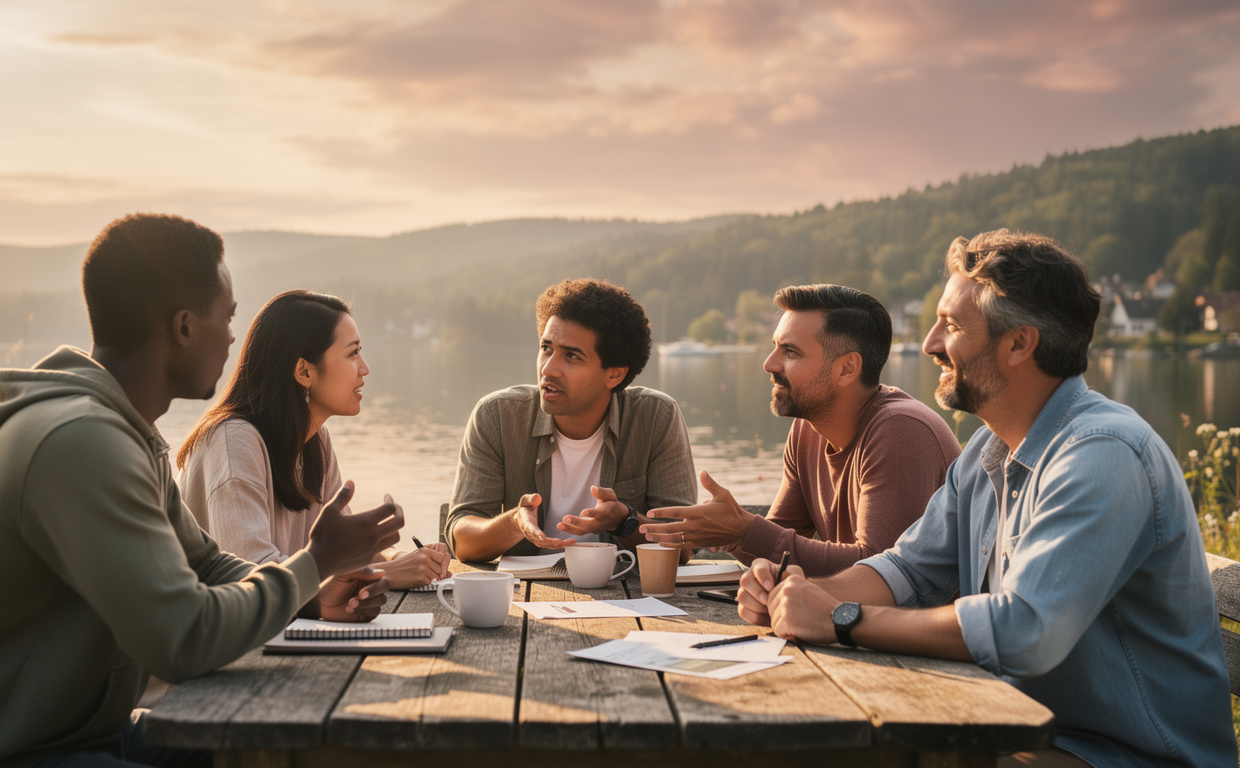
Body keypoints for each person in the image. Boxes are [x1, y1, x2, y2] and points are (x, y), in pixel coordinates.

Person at [0, 213, 404, 768]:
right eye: (227, 317)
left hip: (78, 735)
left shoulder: (129, 439)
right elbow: (182, 639)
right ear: (185, 327)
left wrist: (310, 591)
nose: (235, 337)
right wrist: (316, 562)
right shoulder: (78, 442)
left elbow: (207, 565)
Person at [738, 230, 1235, 767]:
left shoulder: (1102, 455)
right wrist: (799, 597)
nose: (929, 344)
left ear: (1019, 343)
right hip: (1016, 729)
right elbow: (908, 569)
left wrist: (840, 618)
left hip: (1122, 756)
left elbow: (1025, 630)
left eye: (950, 325)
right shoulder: (988, 450)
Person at [640, 285, 960, 575]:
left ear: (847, 368)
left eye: (790, 352)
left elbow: (878, 570)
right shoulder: (807, 430)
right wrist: (726, 530)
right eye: (776, 347)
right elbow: (776, 542)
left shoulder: (901, 430)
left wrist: (743, 530)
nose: (770, 364)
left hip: (925, 633)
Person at [177, 290, 450, 589]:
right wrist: (389, 574)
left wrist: (402, 557)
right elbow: (253, 577)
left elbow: (341, 550)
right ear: (304, 371)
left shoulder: (315, 438)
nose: (365, 368)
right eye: (352, 353)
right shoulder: (233, 443)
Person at [446, 278, 698, 562]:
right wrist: (515, 522)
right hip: (522, 597)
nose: (549, 369)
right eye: (546, 348)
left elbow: (683, 547)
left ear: (614, 374)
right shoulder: (496, 417)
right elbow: (463, 542)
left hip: (626, 595)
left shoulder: (656, 418)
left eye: (572, 356)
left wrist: (623, 520)